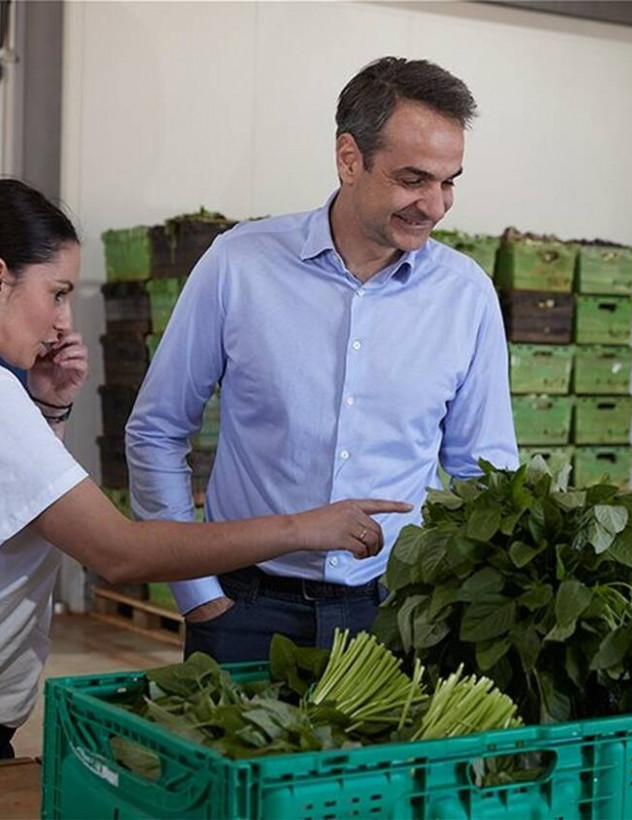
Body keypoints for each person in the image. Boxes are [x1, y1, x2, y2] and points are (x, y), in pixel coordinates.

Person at [0, 178, 411, 758]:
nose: (65, 321)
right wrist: (304, 528)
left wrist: (47, 410)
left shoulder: (13, 401)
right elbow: (120, 552)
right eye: (58, 292)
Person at [126, 56, 518, 663]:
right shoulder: (239, 265)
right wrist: (197, 594)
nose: (435, 205)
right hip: (243, 608)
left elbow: (484, 472)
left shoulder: (466, 296)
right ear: (349, 158)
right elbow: (157, 428)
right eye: (414, 179)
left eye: (449, 182)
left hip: (396, 615)